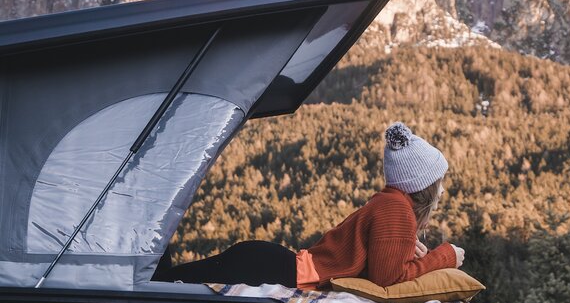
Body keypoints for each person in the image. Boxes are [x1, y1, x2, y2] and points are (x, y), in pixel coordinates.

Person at [153, 122, 465, 290]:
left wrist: (404, 250)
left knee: (161, 283)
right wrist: (445, 256)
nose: (440, 189)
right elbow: (388, 280)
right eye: (438, 181)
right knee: (156, 287)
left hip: (271, 264)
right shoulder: (396, 210)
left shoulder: (388, 204)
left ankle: (142, 241)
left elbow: (374, 267)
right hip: (273, 269)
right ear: (424, 185)